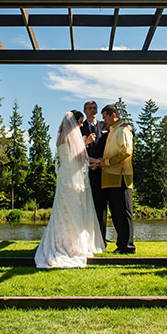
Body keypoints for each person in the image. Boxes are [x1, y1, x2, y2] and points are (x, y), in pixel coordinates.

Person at [35, 110, 105, 268]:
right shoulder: (73, 138)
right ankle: (71, 244)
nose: (81, 125)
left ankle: (62, 240)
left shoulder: (60, 137)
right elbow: (81, 158)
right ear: (74, 123)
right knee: (74, 211)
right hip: (73, 180)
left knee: (63, 210)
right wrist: (95, 158)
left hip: (64, 179)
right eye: (80, 122)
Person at [90, 104, 135, 254]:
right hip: (110, 178)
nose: (104, 120)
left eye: (105, 117)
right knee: (117, 214)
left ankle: (128, 247)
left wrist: (106, 162)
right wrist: (100, 162)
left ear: (113, 114)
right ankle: (121, 245)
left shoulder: (122, 130)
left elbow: (125, 152)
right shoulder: (113, 130)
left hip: (120, 178)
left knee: (124, 213)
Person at [80, 100, 108, 243]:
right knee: (86, 206)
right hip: (85, 171)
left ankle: (101, 239)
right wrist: (90, 163)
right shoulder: (80, 128)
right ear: (84, 111)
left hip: (102, 171)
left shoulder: (104, 126)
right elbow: (76, 150)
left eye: (95, 108)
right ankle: (87, 239)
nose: (93, 111)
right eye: (90, 108)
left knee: (101, 206)